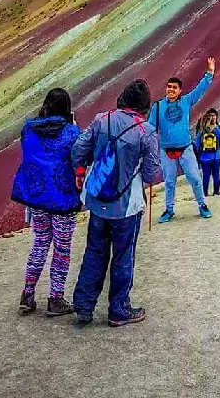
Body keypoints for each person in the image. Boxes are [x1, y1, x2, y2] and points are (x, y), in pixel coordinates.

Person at [71, 80, 160, 327]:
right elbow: (153, 174)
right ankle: (118, 309)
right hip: (127, 206)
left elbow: (78, 149)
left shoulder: (102, 119)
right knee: (123, 256)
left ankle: (84, 306)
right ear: (144, 105)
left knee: (94, 252)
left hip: (98, 200)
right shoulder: (147, 131)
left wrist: (81, 171)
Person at [10, 88, 83, 317]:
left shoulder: (28, 129)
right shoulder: (71, 132)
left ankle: (28, 294)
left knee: (40, 242)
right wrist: (73, 125)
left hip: (37, 197)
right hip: (62, 199)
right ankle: (55, 298)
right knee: (61, 249)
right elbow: (78, 156)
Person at [149, 58, 216, 223]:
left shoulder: (186, 101)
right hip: (166, 150)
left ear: (180, 91)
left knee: (194, 177)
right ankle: (169, 209)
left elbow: (200, 90)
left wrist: (209, 73)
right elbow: (150, 128)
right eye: (169, 87)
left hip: (185, 148)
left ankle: (202, 205)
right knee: (169, 182)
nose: (170, 90)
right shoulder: (157, 107)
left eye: (174, 88)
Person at [196, 110, 220, 196]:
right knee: (216, 174)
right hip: (216, 156)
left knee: (206, 176)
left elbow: (196, 144)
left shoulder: (201, 131)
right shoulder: (216, 130)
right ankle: (216, 192)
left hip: (204, 158)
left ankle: (205, 193)